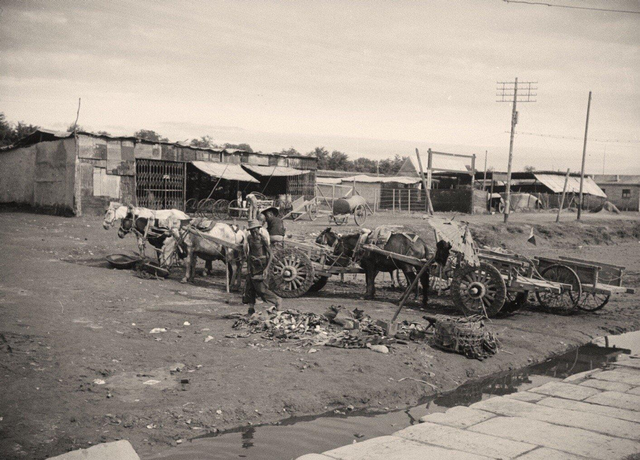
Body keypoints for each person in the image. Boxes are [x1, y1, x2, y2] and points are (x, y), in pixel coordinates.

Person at [242, 219, 281, 314]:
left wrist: (266, 268)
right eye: (251, 230)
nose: (253, 232)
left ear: (258, 229)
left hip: (262, 265)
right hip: (252, 264)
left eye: (255, 229)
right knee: (250, 287)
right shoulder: (249, 238)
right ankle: (251, 309)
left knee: (261, 288)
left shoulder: (262, 238)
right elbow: (249, 252)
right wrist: (248, 266)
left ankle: (277, 300)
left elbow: (270, 254)